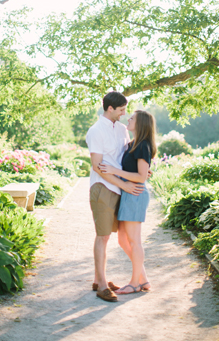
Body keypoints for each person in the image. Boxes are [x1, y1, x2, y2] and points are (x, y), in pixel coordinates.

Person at [85, 91, 145, 303]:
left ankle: (97, 279)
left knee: (115, 236)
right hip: (103, 187)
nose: (123, 114)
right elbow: (98, 167)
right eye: (121, 110)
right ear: (110, 108)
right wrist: (123, 184)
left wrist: (142, 171)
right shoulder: (95, 131)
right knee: (103, 236)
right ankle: (102, 285)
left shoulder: (121, 129)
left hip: (121, 190)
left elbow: (127, 157)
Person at [97, 109, 157, 294]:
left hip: (135, 194)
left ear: (141, 124)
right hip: (129, 193)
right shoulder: (133, 144)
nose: (128, 120)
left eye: (132, 118)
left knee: (134, 241)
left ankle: (135, 282)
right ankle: (143, 279)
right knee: (123, 240)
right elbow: (141, 172)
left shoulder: (143, 146)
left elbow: (141, 177)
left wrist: (114, 171)